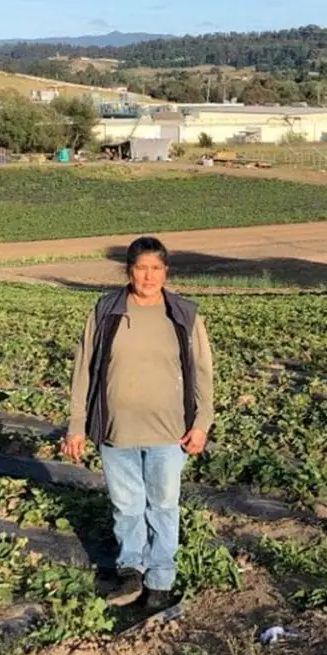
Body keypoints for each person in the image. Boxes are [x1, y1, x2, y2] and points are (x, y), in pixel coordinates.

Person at [61, 236, 214, 609]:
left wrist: (202, 422)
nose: (149, 276)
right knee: (126, 505)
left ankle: (160, 578)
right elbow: (83, 370)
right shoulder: (106, 311)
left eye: (156, 268)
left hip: (170, 431)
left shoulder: (184, 314)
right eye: (141, 268)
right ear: (128, 271)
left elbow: (203, 372)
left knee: (163, 504)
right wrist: (77, 425)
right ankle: (131, 569)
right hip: (117, 430)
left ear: (166, 271)